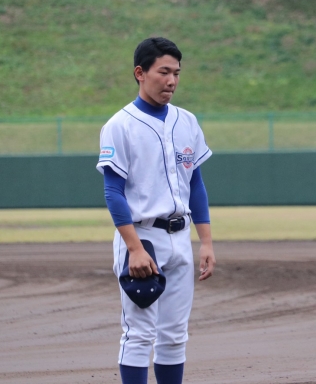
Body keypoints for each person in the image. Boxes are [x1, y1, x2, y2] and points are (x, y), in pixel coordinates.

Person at [97, 37, 216, 384]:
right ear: (140, 73)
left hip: (181, 237)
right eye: (163, 72)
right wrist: (134, 248)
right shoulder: (120, 125)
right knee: (139, 333)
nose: (171, 81)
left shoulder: (186, 121)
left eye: (176, 73)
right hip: (143, 238)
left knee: (175, 335)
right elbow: (113, 191)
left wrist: (206, 242)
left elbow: (196, 184)